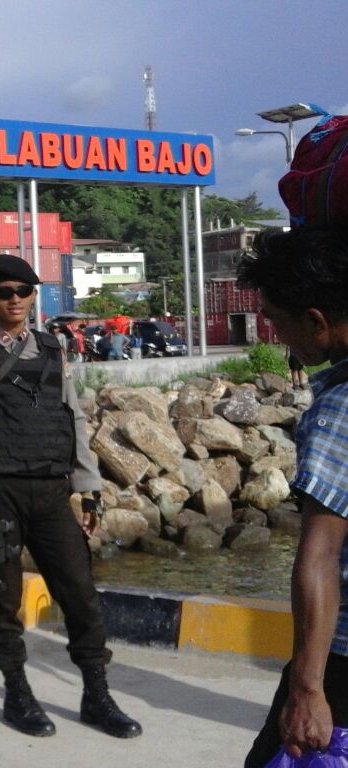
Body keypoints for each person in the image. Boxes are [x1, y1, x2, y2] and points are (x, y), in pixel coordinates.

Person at [0, 254, 141, 740]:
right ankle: (16, 690)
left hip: (51, 494)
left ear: (33, 296)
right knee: (3, 598)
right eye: (3, 292)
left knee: (81, 595)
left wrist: (88, 487)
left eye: (23, 292)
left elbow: (75, 420)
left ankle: (96, 693)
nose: (14, 300)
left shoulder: (54, 349)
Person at [238, 228, 348, 767]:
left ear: (315, 320)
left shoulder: (338, 410)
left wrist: (308, 687)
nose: (279, 336)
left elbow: (321, 554)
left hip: (342, 661)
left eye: (276, 320)